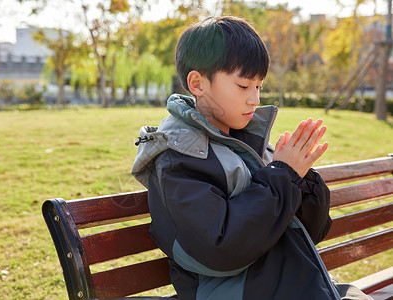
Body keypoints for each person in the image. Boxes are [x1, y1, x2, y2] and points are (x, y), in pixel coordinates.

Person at [132, 16, 372, 300]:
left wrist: (301, 179)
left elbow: (312, 232)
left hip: (292, 283)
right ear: (198, 83)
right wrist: (283, 176)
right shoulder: (178, 159)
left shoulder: (247, 142)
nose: (255, 99)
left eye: (259, 86)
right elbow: (221, 247)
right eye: (244, 86)